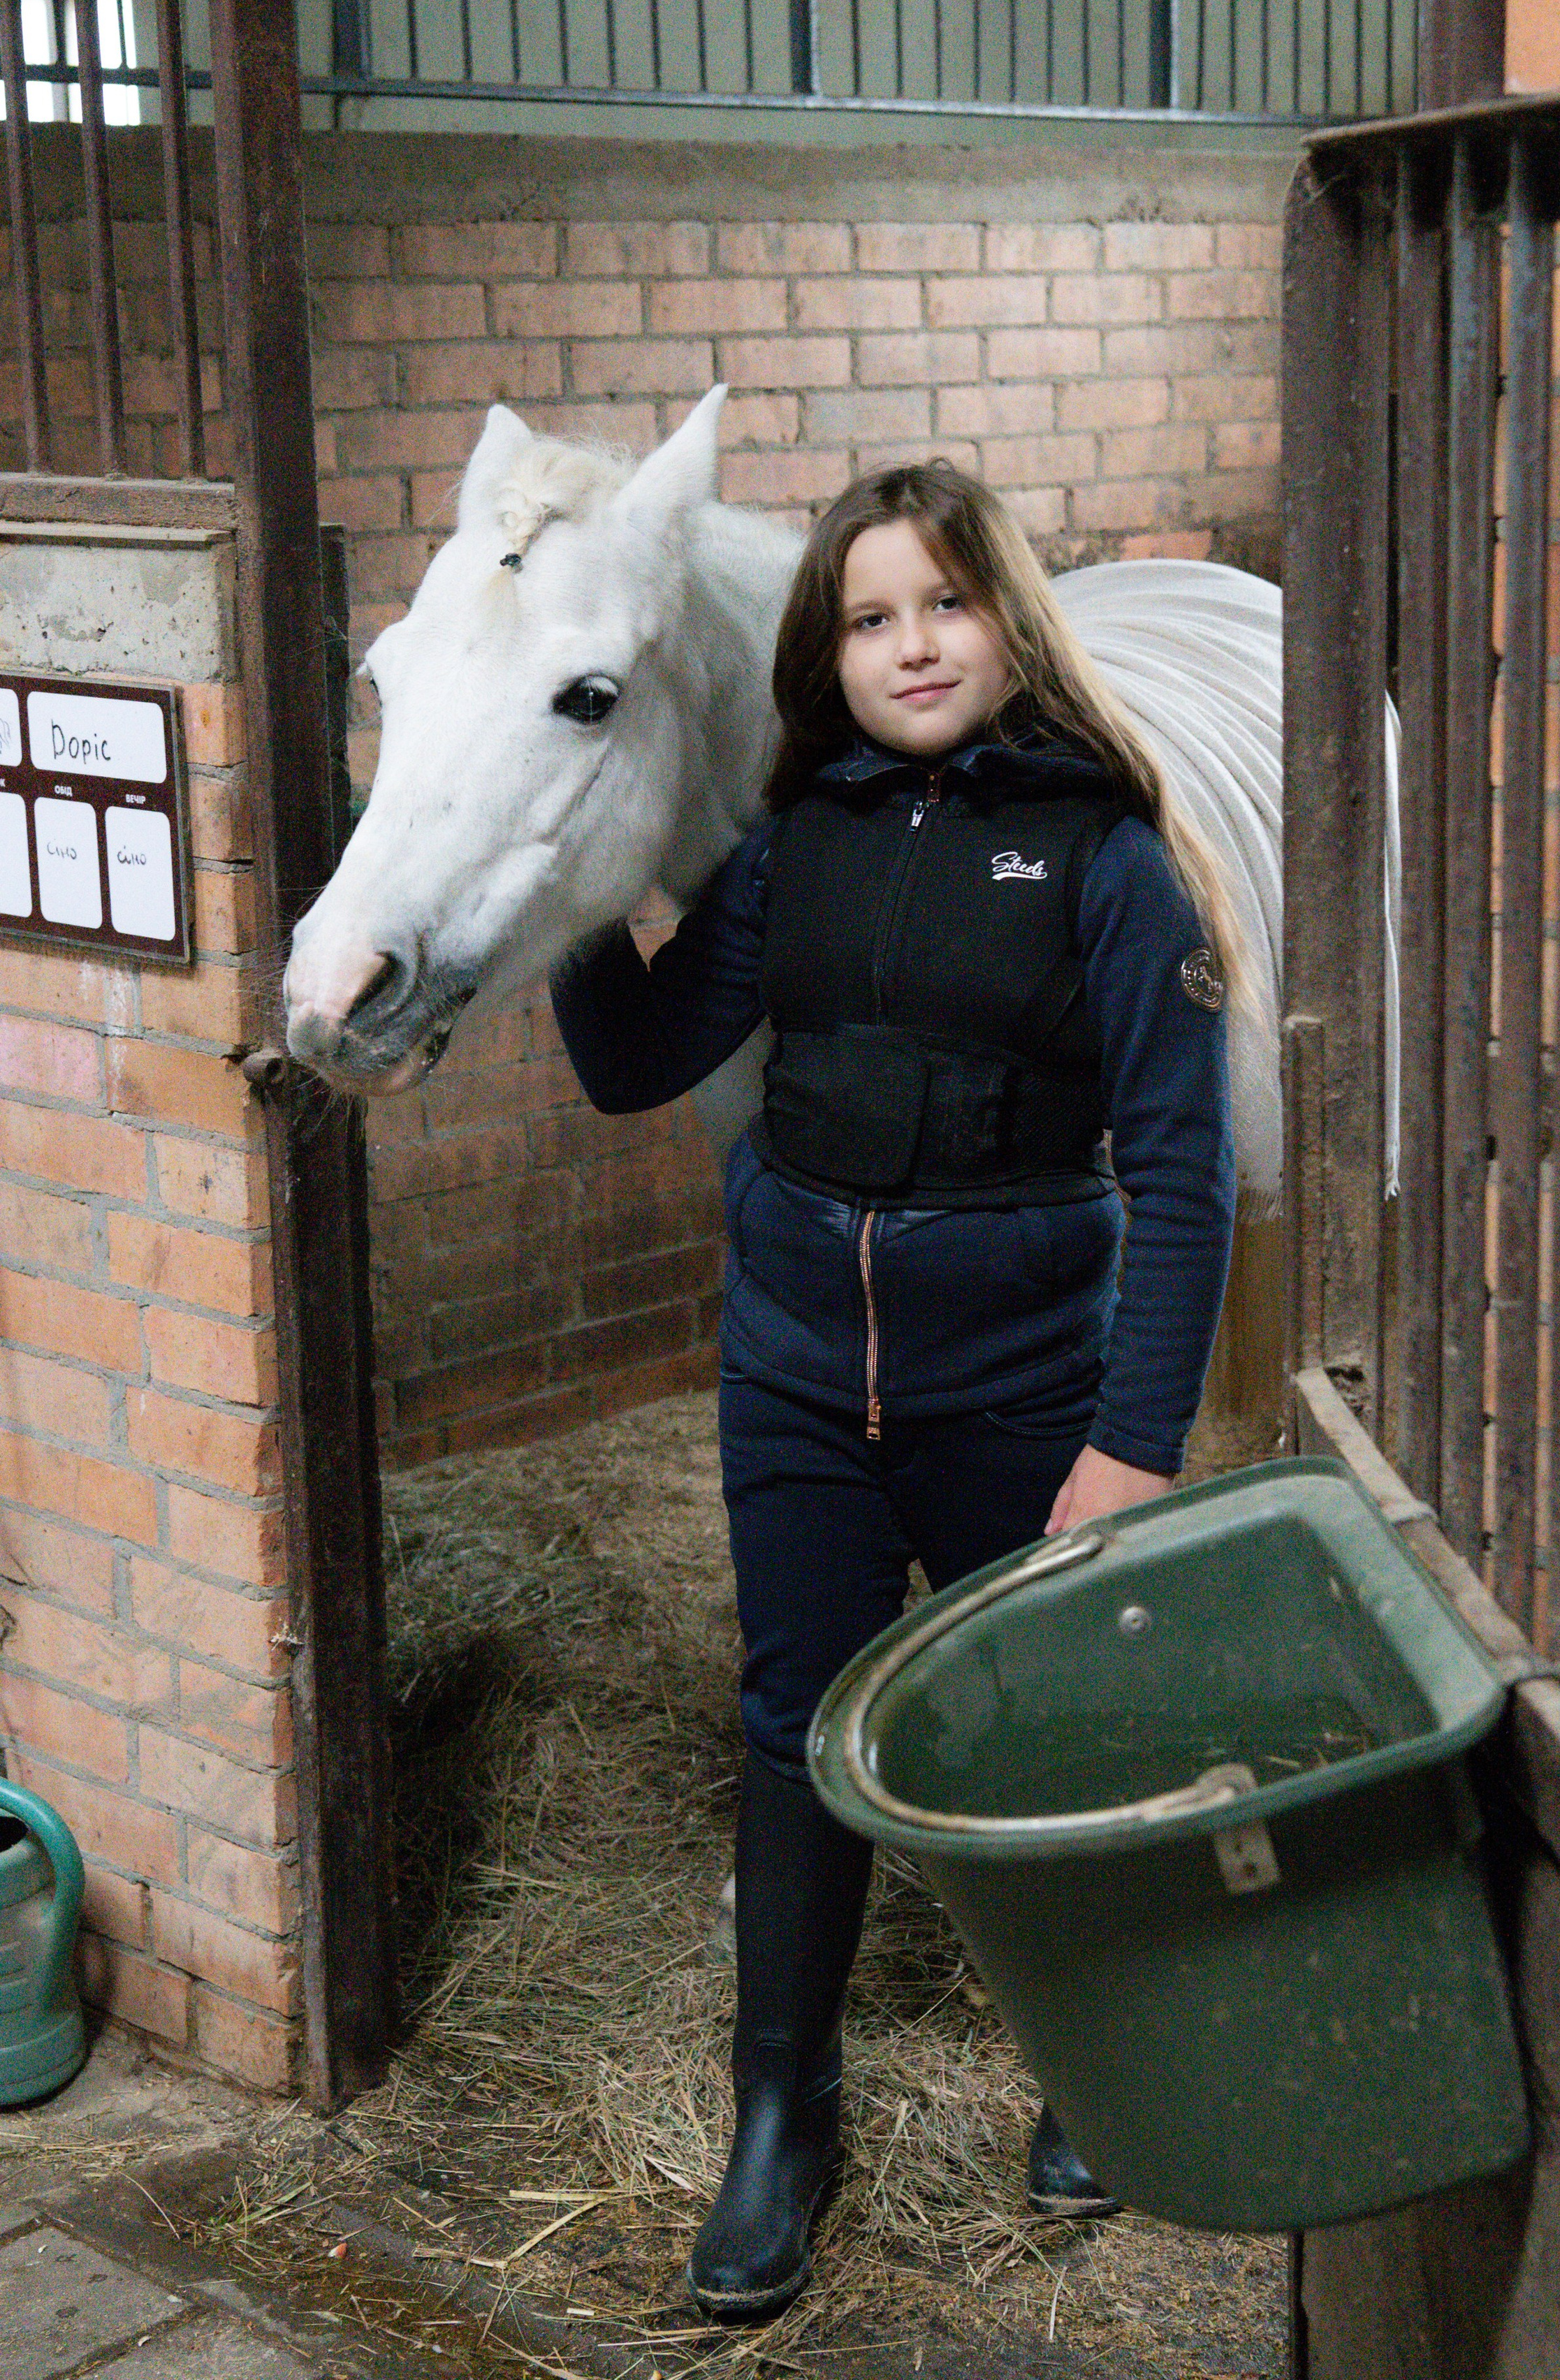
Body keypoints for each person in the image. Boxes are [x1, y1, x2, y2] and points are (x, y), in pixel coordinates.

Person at [551, 462, 1240, 2319]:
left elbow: (1181, 1178)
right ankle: (786, 2113)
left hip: (1021, 1390)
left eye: (942, 603)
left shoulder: (1109, 857)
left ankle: (1097, 2065)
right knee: (792, 1727)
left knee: (1050, 1732)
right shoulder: (796, 850)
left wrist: (1132, 1445)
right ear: (826, 654)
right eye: (868, 617)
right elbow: (642, 1062)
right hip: (792, 1382)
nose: (908, 644)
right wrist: (590, 890)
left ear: (1011, 623)